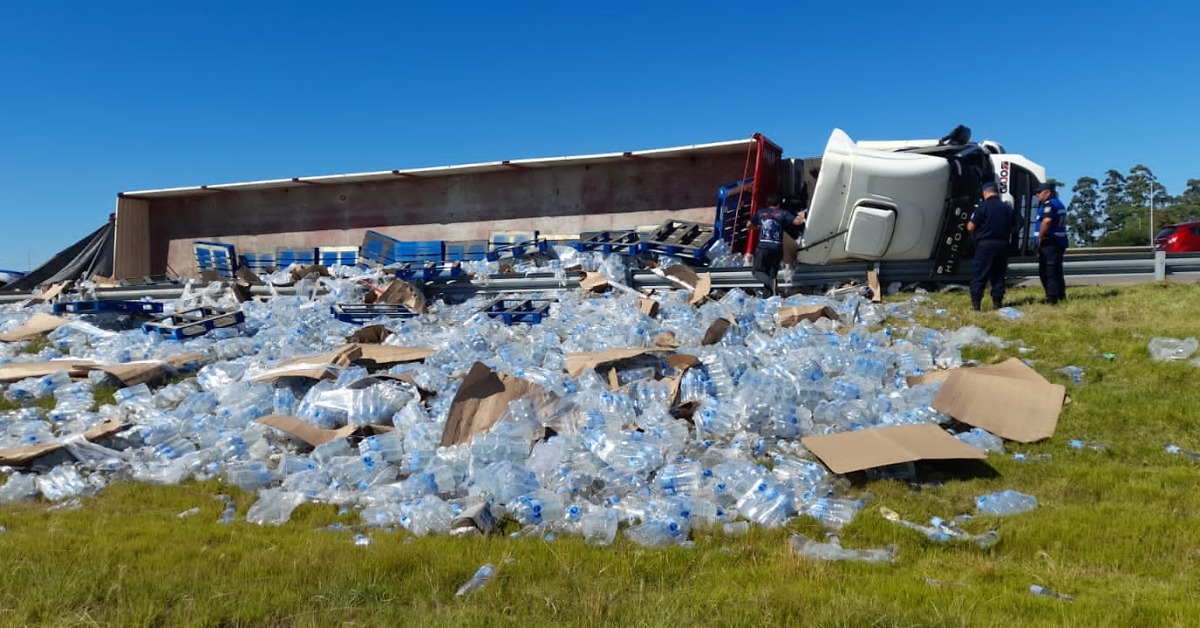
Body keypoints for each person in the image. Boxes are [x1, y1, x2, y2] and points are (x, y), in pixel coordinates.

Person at [967, 181, 1015, 310]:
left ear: (985, 193)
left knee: (980, 274)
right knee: (999, 275)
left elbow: (971, 226)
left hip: (985, 245)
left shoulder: (983, 207)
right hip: (1003, 244)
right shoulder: (1007, 208)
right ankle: (997, 303)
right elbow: (1015, 225)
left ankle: (976, 305)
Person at [750, 197, 805, 296]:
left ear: (767, 203)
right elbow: (797, 222)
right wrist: (801, 215)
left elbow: (749, 225)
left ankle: (771, 284)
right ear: (778, 204)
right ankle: (768, 298)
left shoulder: (761, 213)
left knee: (756, 271)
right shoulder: (782, 213)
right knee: (771, 275)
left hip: (764, 246)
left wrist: (759, 227)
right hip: (777, 248)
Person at [1033, 181, 1069, 304]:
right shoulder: (1059, 204)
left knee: (1048, 271)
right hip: (1059, 241)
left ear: (1048, 192)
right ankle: (1060, 295)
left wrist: (1041, 237)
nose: (1037, 195)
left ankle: (1052, 297)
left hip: (1050, 242)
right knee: (1056, 270)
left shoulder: (1049, 205)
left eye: (1039, 192)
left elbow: (1047, 221)